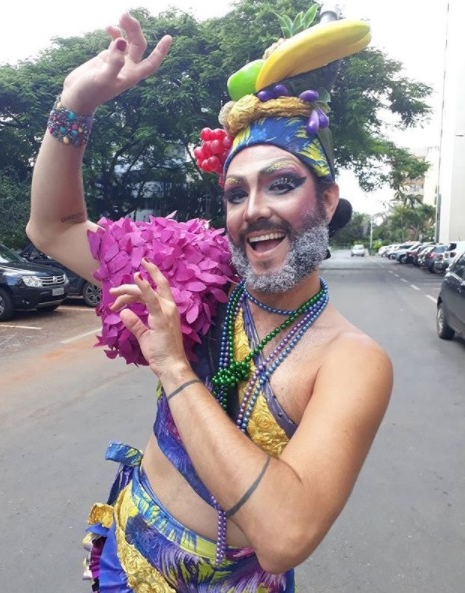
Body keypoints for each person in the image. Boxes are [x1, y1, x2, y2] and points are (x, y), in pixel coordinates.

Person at [27, 10, 392, 593]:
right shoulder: (196, 276)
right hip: (126, 557)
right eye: (235, 193)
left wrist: (174, 367)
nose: (254, 211)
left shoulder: (352, 359)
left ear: (326, 201)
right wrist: (77, 103)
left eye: (281, 184)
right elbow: (53, 227)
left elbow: (283, 536)